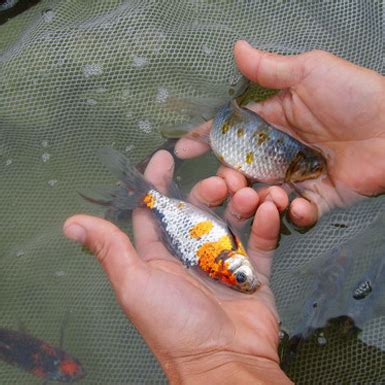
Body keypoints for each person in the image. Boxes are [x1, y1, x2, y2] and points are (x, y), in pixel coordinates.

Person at [63, 41, 385, 384]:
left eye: (242, 278)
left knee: (225, 193)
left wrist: (213, 363)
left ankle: (151, 192)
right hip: (214, 203)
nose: (248, 278)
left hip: (203, 222)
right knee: (229, 194)